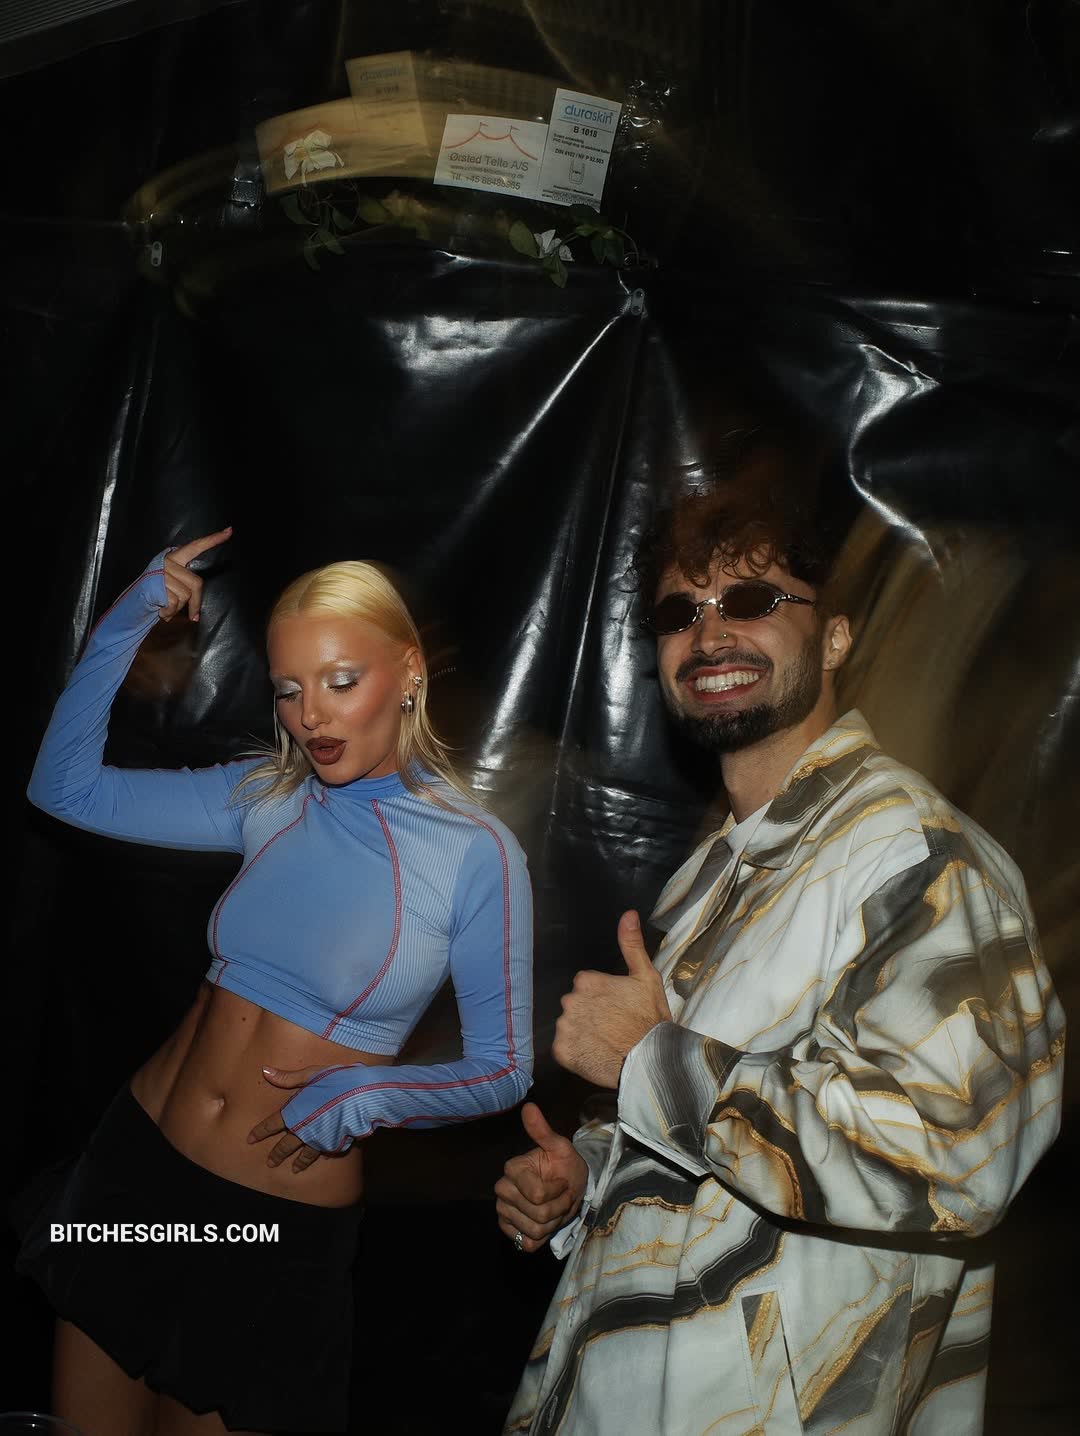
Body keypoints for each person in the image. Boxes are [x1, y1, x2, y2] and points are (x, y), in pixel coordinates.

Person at [496, 488, 1064, 1435]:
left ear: (834, 639)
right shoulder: (712, 876)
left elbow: (957, 1151)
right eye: (680, 611)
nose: (710, 633)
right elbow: (702, 1129)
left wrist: (649, 1061)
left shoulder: (916, 857)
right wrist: (589, 1177)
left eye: (753, 599)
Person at [17, 528, 533, 1436]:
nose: (311, 717)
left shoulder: (474, 853)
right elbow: (65, 792)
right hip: (134, 1171)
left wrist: (373, 1094)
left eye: (341, 681)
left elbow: (504, 1067)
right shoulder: (267, 796)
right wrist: (126, 623)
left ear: (408, 671)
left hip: (267, 1226)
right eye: (290, 690)